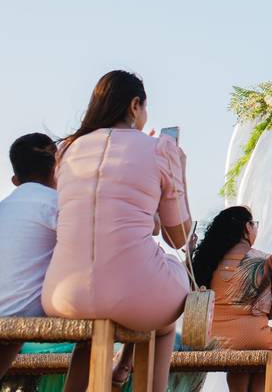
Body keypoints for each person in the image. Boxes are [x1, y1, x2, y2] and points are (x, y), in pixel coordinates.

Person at [42, 71, 192, 392]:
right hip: (133, 294)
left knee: (92, 332)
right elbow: (176, 237)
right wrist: (179, 171)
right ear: (135, 105)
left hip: (64, 295)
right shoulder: (158, 149)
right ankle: (137, 378)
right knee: (166, 315)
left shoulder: (68, 150)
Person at [192, 206, 272, 392]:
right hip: (256, 337)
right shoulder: (266, 260)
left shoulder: (209, 259)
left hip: (214, 340)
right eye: (255, 224)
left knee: (243, 352)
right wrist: (257, 313)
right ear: (247, 227)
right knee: (265, 346)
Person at [0, 133, 58, 379]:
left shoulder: (4, 206)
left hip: (6, 311)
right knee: (96, 322)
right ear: (56, 169)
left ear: (15, 180)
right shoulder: (58, 204)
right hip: (26, 311)